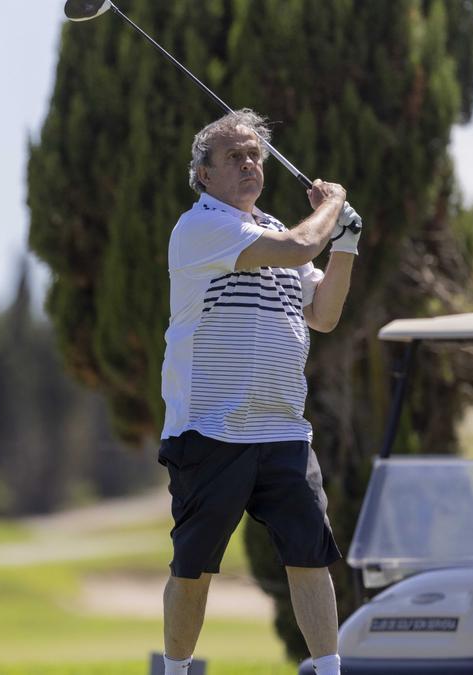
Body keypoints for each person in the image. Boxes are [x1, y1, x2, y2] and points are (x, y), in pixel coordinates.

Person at [158, 109, 361, 675]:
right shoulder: (200, 228)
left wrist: (345, 243)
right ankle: (176, 670)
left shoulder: (271, 228)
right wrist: (330, 208)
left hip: (283, 429)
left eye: (255, 156)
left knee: (310, 556)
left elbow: (324, 314)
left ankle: (327, 669)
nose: (250, 164)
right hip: (211, 428)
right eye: (233, 157)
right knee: (193, 569)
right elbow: (300, 247)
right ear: (203, 174)